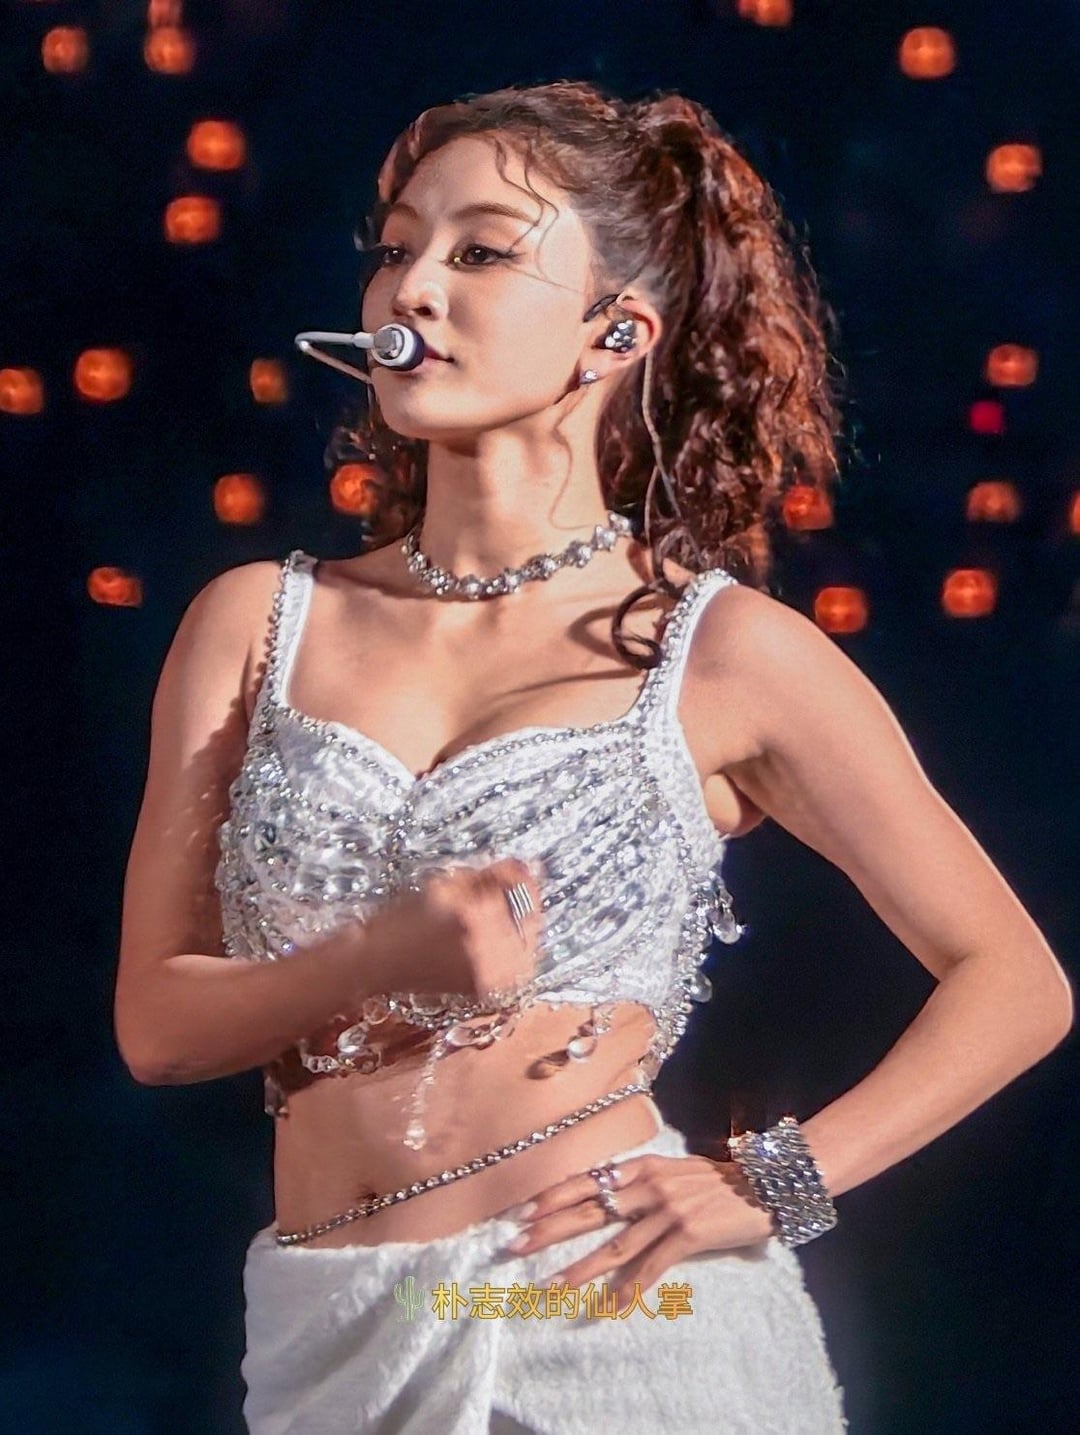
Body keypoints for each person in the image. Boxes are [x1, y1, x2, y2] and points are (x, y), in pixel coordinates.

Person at [114, 80, 1073, 1434]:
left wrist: (773, 1183)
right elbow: (156, 1030)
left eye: (480, 252)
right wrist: (379, 956)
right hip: (332, 1332)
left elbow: (1017, 983)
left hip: (622, 1317)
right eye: (397, 248)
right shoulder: (257, 622)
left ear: (614, 332)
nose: (414, 286)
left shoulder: (724, 653)